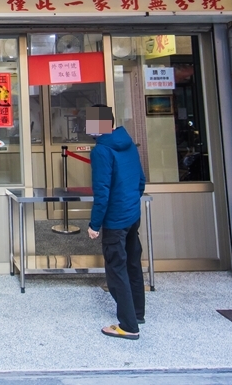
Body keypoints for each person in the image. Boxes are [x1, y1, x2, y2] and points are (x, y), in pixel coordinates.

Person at [87, 107, 146, 340]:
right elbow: (140, 181)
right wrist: (131, 202)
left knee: (116, 270)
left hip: (115, 219)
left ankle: (128, 326)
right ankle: (138, 313)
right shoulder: (128, 143)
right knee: (132, 263)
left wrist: (94, 224)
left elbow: (102, 191)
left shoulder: (102, 151)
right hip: (132, 214)